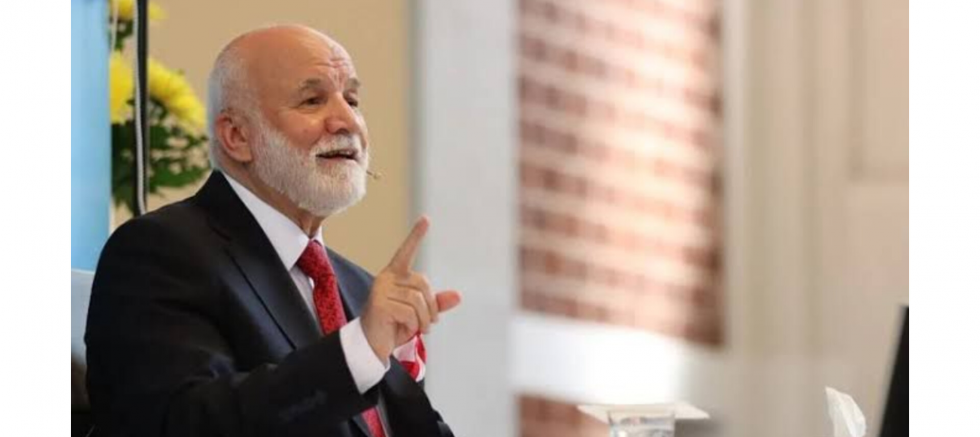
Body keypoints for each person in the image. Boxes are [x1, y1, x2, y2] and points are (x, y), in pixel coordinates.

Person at [85, 24, 461, 437]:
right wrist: (358, 353)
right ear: (237, 136)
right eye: (313, 100)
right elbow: (185, 423)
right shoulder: (159, 252)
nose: (347, 121)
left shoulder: (360, 288)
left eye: (352, 100)